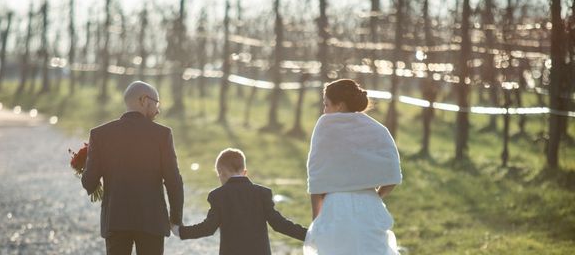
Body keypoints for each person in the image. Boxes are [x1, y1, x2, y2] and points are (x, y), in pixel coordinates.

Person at [82, 81, 184, 255]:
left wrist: (84, 166)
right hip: (151, 221)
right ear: (144, 100)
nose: (158, 110)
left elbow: (89, 183)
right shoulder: (162, 135)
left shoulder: (100, 134)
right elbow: (173, 181)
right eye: (156, 103)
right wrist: (175, 219)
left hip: (116, 220)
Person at [304, 79, 402, 255]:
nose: (324, 110)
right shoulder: (378, 129)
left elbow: (316, 178)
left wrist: (316, 218)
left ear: (339, 105)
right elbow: (392, 175)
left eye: (326, 105)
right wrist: (376, 197)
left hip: (335, 207)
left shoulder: (325, 127)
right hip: (370, 205)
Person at [173, 148, 307, 255]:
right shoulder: (262, 193)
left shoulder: (218, 196)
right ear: (245, 172)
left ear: (221, 172)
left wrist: (181, 231)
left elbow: (208, 228)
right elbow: (279, 224)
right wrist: (308, 234)